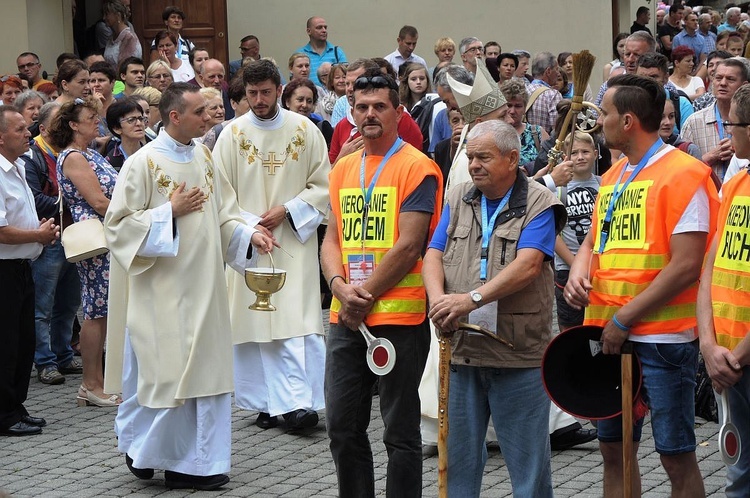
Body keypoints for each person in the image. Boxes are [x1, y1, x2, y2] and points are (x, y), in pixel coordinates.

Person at [104, 82, 275, 491]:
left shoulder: (202, 155)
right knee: (171, 378)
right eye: (200, 112)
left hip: (207, 289)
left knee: (207, 376)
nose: (210, 116)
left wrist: (248, 234)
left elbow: (224, 214)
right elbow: (118, 227)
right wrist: (168, 213)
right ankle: (148, 453)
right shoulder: (143, 163)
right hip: (164, 294)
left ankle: (201, 463)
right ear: (175, 116)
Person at [564, 74, 718, 498]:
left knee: (675, 455)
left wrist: (624, 318)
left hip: (662, 339)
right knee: (613, 451)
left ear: (628, 120)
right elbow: (598, 236)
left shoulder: (685, 173)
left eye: (606, 113)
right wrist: (579, 265)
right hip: (608, 333)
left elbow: (687, 266)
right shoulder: (613, 175)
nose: (600, 121)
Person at [423, 119, 564, 497]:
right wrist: (437, 300)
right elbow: (433, 253)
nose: (473, 165)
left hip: (516, 355)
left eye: (483, 157)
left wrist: (469, 300)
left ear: (512, 158)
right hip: (462, 351)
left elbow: (529, 264)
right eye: (470, 157)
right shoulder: (457, 196)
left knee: (528, 471)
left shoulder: (540, 202)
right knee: (456, 466)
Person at [321, 68, 442, 497]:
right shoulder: (343, 168)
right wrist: (338, 286)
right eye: (362, 107)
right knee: (341, 425)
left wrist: (362, 295)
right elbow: (332, 237)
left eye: (379, 106)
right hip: (346, 316)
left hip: (400, 318)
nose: (369, 114)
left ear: (398, 111)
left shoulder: (417, 168)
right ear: (351, 111)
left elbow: (410, 246)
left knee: (400, 432)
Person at [213, 59, 330, 431]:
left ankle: (299, 403)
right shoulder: (231, 135)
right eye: (251, 94)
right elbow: (220, 193)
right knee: (254, 323)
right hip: (248, 244)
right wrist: (249, 227)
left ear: (279, 89)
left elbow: (322, 185)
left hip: (293, 241)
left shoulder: (305, 130)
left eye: (265, 92)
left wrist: (288, 210)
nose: (259, 100)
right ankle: (264, 402)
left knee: (294, 321)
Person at [48, 97, 120, 407]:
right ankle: (91, 383)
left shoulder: (91, 152)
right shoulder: (74, 156)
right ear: (74, 124)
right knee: (96, 311)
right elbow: (99, 201)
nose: (96, 121)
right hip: (96, 239)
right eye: (90, 117)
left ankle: (95, 383)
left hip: (108, 235)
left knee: (103, 309)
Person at [697, 83, 750, 498]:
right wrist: (709, 345)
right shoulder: (735, 185)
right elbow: (710, 266)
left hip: (737, 358)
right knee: (737, 478)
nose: (726, 134)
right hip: (729, 361)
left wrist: (731, 356)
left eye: (732, 124)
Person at [0, 104, 60, 436]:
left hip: (22, 266)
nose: (29, 134)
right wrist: (36, 234)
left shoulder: (18, 165)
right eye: (21, 129)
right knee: (7, 345)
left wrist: (37, 228)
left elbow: (17, 218)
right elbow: (0, 230)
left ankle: (14, 405)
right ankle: (4, 415)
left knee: (23, 342)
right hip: (4, 271)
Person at [21, 101, 83, 386]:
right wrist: (73, 202)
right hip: (50, 238)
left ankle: (63, 354)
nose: (65, 125)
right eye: (60, 121)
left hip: (74, 237)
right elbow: (34, 201)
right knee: (43, 306)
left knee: (69, 303)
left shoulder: (74, 152)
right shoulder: (30, 156)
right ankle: (44, 362)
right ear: (44, 128)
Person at [554, 132, 600, 331]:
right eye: (574, 153)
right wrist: (576, 266)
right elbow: (552, 234)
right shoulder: (557, 189)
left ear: (596, 154)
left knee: (598, 324)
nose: (580, 157)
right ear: (566, 157)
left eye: (585, 152)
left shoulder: (604, 184)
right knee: (571, 326)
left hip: (599, 267)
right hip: (567, 268)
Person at [680, 58, 749, 182]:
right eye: (718, 78)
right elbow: (680, 171)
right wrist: (709, 157)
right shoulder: (693, 122)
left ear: (744, 85)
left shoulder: (747, 123)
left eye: (730, 79)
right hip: (706, 197)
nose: (722, 83)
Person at [500, 78, 548, 174]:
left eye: (518, 106)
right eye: (509, 105)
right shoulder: (494, 133)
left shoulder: (537, 132)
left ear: (525, 107)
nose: (512, 111)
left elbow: (550, 164)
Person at [296, 17, 347, 86]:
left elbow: (345, 76)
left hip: (332, 95)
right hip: (310, 94)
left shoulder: (337, 52)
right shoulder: (300, 54)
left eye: (325, 27)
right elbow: (295, 80)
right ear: (309, 31)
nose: (324, 30)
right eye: (319, 28)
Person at [525, 52, 563, 134]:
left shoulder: (523, 91)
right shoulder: (553, 95)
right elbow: (557, 130)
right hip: (545, 145)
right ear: (548, 71)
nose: (558, 73)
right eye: (556, 69)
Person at [103, 97, 146, 171]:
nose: (139, 123)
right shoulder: (110, 163)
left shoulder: (153, 152)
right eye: (131, 120)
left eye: (141, 118)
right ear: (116, 128)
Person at [102, 0, 142, 69]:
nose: (104, 18)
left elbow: (124, 68)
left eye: (107, 14)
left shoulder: (129, 38)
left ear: (118, 15)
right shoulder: (111, 38)